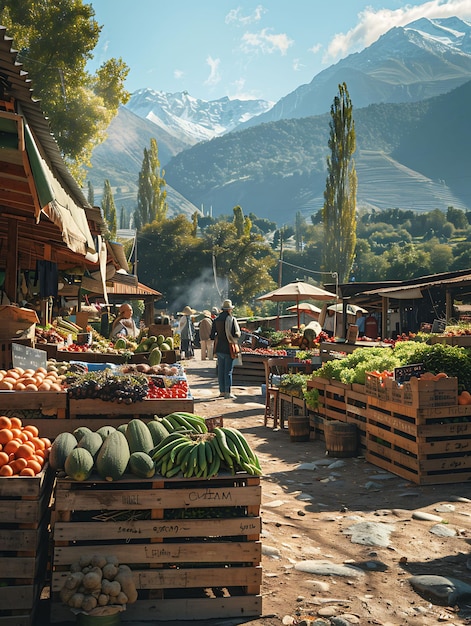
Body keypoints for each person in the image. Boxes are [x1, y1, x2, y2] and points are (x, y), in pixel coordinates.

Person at [210, 299, 241, 399]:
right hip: (228, 348)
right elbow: (235, 334)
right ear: (229, 310)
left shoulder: (216, 320)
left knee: (221, 370)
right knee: (228, 371)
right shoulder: (231, 319)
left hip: (219, 348)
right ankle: (228, 392)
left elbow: (211, 335)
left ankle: (222, 391)